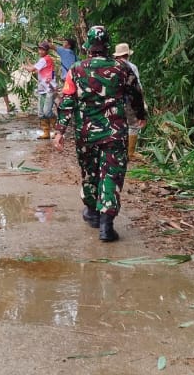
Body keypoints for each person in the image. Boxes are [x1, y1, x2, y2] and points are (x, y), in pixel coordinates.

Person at [54, 26, 147, 242]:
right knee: (111, 174)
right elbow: (135, 95)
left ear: (88, 47)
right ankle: (107, 225)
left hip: (86, 133)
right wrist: (140, 115)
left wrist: (60, 131)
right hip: (115, 132)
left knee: (90, 172)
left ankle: (92, 213)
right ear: (107, 46)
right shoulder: (122, 67)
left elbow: (67, 101)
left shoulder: (76, 69)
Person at [112, 42, 143, 160]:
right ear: (127, 54)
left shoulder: (112, 67)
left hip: (114, 100)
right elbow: (137, 87)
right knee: (133, 125)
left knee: (116, 125)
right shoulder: (132, 67)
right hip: (129, 100)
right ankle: (130, 153)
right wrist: (141, 105)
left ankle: (116, 151)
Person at [22, 41, 57, 140]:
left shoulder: (45, 59)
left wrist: (25, 66)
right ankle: (46, 132)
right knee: (41, 113)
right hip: (43, 89)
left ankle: (57, 130)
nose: (41, 51)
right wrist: (29, 64)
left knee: (47, 112)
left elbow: (32, 69)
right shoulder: (43, 60)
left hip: (49, 89)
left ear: (47, 51)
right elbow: (37, 69)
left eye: (43, 49)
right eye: (40, 49)